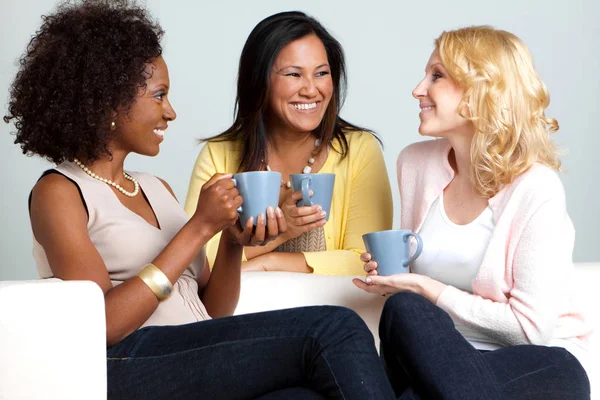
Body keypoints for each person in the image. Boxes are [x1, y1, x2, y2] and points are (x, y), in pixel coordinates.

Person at [4, 1, 397, 399]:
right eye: (159, 96)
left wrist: (231, 239)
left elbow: (213, 311)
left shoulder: (156, 188)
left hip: (195, 350)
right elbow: (101, 324)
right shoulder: (60, 192)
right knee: (333, 328)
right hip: (125, 364)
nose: (170, 112)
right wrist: (199, 228)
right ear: (110, 101)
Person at [354, 26, 592, 399]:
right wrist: (395, 279)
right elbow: (414, 299)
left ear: (481, 91)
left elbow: (531, 331)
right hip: (435, 353)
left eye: (437, 76)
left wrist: (425, 287)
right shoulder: (415, 164)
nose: (418, 89)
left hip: (532, 361)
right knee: (403, 309)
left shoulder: (536, 188)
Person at [184, 11, 392, 276]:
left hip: (334, 313)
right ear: (259, 81)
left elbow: (366, 261)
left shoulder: (359, 150)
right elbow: (196, 262)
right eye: (294, 74)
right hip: (243, 313)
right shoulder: (220, 154)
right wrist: (282, 234)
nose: (310, 89)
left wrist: (268, 263)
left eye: (321, 73)